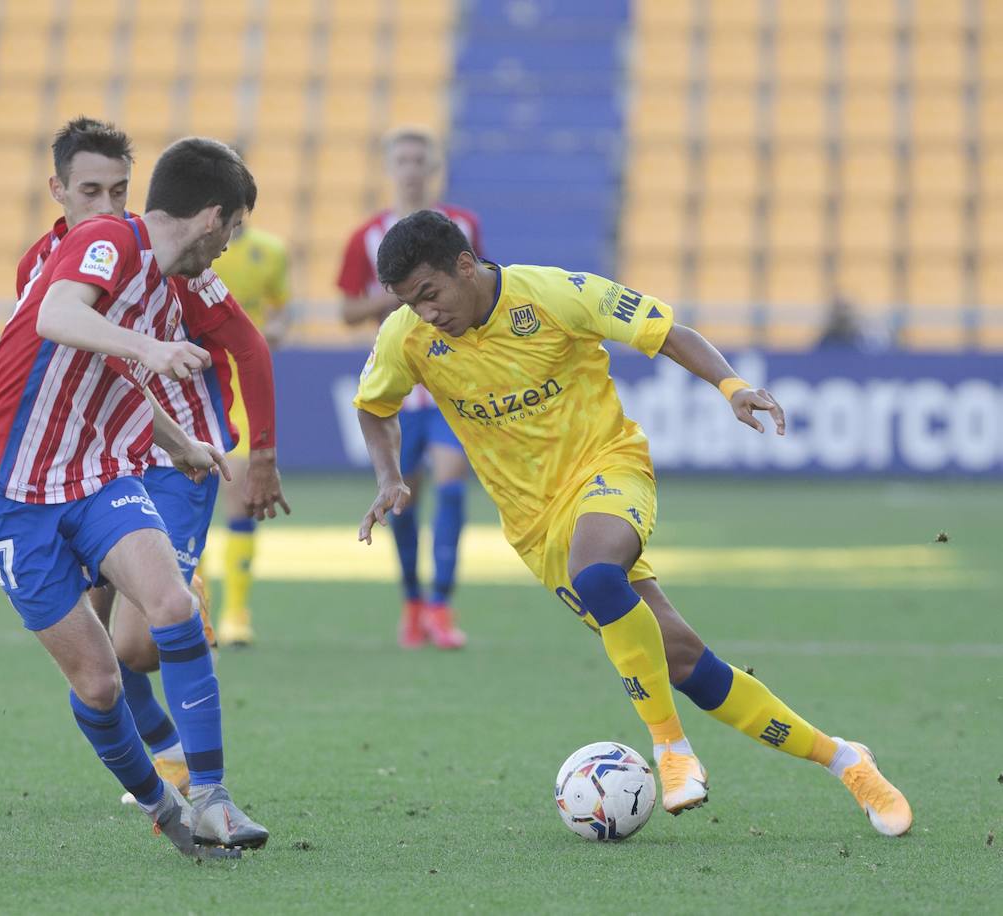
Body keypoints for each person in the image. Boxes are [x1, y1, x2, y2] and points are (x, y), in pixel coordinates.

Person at [352, 209, 913, 836]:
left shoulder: (555, 294)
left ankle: (670, 750)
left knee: (596, 573)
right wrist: (389, 475)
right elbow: (374, 406)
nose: (426, 313)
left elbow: (666, 331)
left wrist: (730, 386)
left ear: (465, 264)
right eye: (410, 302)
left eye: (429, 294)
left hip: (609, 468)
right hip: (536, 529)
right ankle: (846, 761)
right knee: (686, 663)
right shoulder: (407, 336)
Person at [0, 137, 270, 857]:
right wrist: (150, 349)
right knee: (100, 684)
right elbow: (57, 317)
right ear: (210, 219)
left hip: (98, 474)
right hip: (12, 494)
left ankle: (214, 798)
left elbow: (111, 378)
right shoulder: (108, 239)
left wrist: (178, 444)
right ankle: (166, 809)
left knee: (172, 606)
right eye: (232, 229)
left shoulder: (172, 285)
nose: (230, 246)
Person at [337, 128, 476, 650]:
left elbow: (479, 284)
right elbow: (347, 310)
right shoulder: (366, 236)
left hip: (450, 384)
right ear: (389, 166)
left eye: (420, 159)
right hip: (400, 387)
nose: (412, 168)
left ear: (433, 166)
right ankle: (412, 602)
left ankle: (441, 604)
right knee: (403, 496)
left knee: (452, 481)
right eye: (403, 159)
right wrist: (397, 296)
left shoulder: (461, 226)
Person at [208, 209, 292, 646]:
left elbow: (281, 308)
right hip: (197, 378)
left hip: (244, 384)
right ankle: (197, 608)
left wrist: (274, 330)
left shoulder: (271, 252)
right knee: (192, 496)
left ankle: (236, 611)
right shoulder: (192, 250)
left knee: (240, 492)